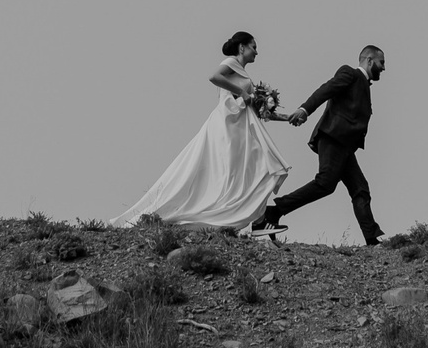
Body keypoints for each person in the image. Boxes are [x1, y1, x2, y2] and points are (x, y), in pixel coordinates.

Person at [111, 32, 293, 229]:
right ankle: (254, 220)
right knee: (245, 168)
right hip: (228, 124)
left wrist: (286, 117)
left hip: (240, 127)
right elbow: (213, 76)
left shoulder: (243, 72)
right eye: (253, 47)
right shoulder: (231, 62)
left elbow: (256, 110)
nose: (257, 52)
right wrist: (241, 92)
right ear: (242, 47)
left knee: (252, 167)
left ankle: (256, 219)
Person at [250, 44, 385, 244]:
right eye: (381, 62)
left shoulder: (363, 85)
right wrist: (305, 110)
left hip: (345, 146)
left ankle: (372, 239)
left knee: (360, 189)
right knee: (325, 183)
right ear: (369, 60)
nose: (383, 68)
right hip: (333, 139)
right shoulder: (350, 73)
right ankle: (273, 212)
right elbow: (326, 90)